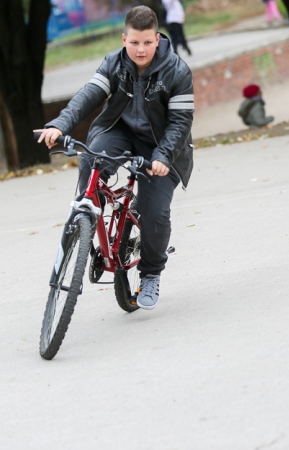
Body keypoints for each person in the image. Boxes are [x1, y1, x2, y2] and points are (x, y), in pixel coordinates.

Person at [34, 6, 194, 311]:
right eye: (134, 42)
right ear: (124, 39)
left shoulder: (177, 71)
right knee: (91, 160)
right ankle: (86, 215)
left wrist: (162, 156)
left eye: (147, 42)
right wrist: (60, 124)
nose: (141, 49)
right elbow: (88, 95)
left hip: (163, 147)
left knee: (154, 212)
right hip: (118, 132)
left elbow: (180, 123)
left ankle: (149, 274)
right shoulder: (114, 63)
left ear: (157, 40)